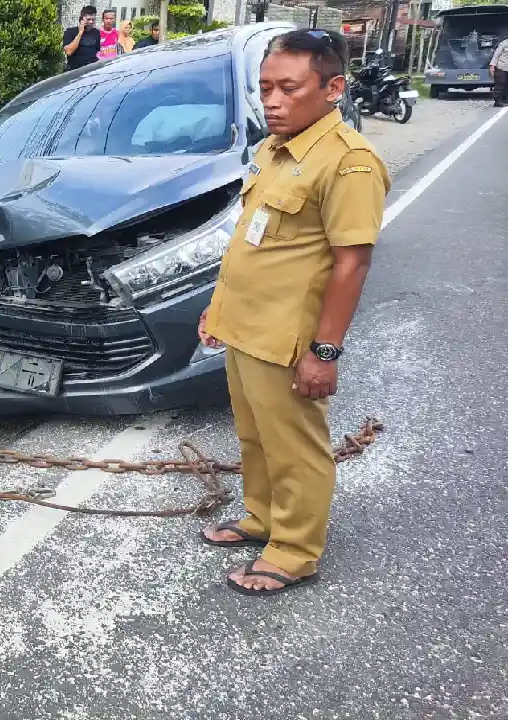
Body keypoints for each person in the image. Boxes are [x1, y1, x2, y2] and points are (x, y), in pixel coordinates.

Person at [198, 29, 389, 596]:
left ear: (333, 88)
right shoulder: (272, 150)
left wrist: (324, 352)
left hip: (287, 336)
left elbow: (351, 265)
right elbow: (249, 243)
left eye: (288, 88)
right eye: (265, 89)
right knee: (255, 437)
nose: (273, 102)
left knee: (295, 446)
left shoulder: (349, 163)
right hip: (244, 327)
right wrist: (216, 309)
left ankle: (296, 549)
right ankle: (263, 517)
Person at [62, 6, 101, 71]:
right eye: (88, 19)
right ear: (81, 19)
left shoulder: (97, 33)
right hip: (75, 71)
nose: (91, 22)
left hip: (92, 71)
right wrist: (80, 32)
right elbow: (69, 52)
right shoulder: (70, 32)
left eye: (93, 19)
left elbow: (99, 52)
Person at [489, 37, 508, 107]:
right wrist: (492, 66)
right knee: (500, 84)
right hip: (502, 67)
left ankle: (506, 99)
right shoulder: (504, 43)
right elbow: (496, 55)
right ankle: (497, 101)